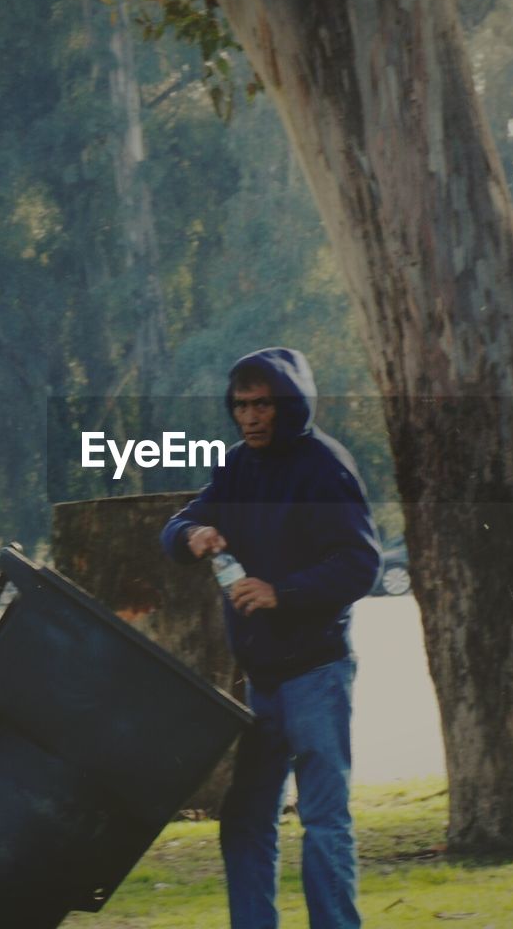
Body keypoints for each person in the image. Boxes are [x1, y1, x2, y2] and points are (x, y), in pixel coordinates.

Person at [160, 347, 381, 929]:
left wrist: (281, 591)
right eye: (240, 405)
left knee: (324, 821)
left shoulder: (325, 466)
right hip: (262, 684)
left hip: (318, 675)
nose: (250, 417)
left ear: (289, 405)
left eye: (262, 404)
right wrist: (193, 534)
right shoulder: (236, 467)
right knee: (245, 820)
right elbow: (177, 525)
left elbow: (362, 564)